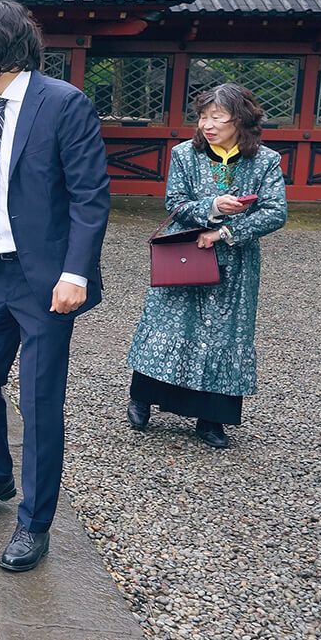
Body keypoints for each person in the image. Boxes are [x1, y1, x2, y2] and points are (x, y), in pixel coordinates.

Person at [0, 0, 110, 573]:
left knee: (39, 403)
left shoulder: (64, 104)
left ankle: (35, 522)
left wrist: (75, 273)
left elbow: (91, 198)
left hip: (46, 280)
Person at [126, 83, 288, 449]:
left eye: (217, 117)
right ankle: (143, 397)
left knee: (226, 333)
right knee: (168, 323)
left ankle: (211, 417)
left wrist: (227, 230)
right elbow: (175, 202)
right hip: (186, 253)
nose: (207, 125)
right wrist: (213, 207)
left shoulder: (265, 160)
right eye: (203, 116)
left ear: (241, 119)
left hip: (235, 263)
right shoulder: (185, 154)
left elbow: (277, 212)